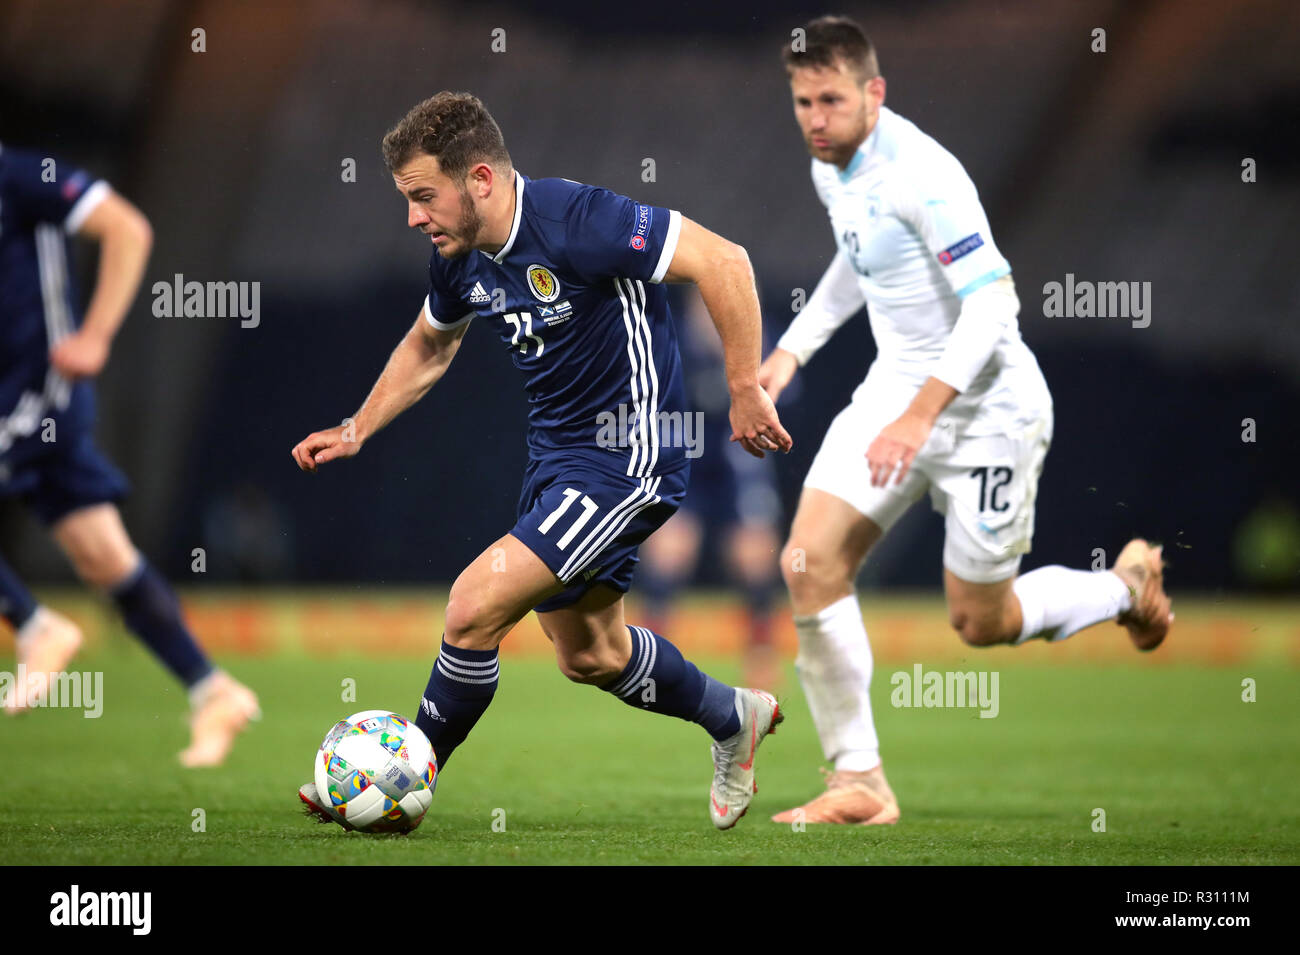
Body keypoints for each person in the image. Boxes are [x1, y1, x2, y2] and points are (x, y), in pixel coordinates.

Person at [292, 92, 793, 830]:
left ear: (482, 179)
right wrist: (359, 425)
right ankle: (733, 716)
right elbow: (431, 344)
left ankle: (395, 774)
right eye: (408, 200)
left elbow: (724, 261)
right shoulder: (460, 258)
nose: (414, 217)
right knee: (590, 653)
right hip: (557, 463)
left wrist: (746, 389)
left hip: (631, 455)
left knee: (471, 606)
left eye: (424, 196)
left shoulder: (578, 219)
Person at [757, 17, 1173, 825]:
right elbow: (861, 254)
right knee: (808, 561)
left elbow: (993, 302)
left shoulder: (925, 173)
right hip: (897, 392)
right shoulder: (833, 165)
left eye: (831, 100)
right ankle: (861, 783)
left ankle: (1123, 588)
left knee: (980, 621)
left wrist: (920, 415)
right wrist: (795, 350)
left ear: (874, 93)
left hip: (988, 406)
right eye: (803, 101)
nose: (815, 118)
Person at [0, 143, 259, 764]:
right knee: (104, 559)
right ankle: (213, 689)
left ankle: (37, 625)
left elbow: (125, 226)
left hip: (39, 385)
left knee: (102, 560)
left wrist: (95, 336)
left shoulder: (17, 175)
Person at [638, 287, 784, 690]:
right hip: (682, 453)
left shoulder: (758, 334)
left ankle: (762, 655)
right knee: (670, 548)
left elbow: (782, 396)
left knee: (754, 552)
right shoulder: (667, 335)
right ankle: (652, 659)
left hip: (739, 453)